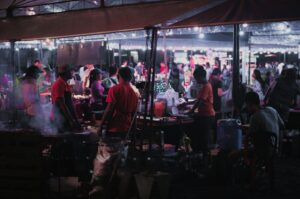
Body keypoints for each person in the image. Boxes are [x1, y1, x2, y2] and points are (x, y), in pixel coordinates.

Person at [99, 67, 139, 138]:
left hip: (114, 127)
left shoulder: (114, 89)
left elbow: (109, 109)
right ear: (130, 77)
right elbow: (134, 115)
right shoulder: (134, 93)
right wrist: (134, 131)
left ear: (118, 76)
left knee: (112, 148)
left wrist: (101, 126)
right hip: (127, 128)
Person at [245, 92, 284, 160]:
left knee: (234, 154)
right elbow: (282, 125)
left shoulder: (255, 117)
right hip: (275, 150)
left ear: (249, 104)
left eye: (247, 106)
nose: (247, 109)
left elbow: (249, 137)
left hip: (262, 153)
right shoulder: (272, 110)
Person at [188, 67, 215, 154]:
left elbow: (200, 101)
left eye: (196, 78)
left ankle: (205, 159)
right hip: (204, 115)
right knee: (203, 138)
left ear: (200, 77)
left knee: (203, 140)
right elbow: (198, 100)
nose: (196, 80)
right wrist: (186, 104)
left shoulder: (206, 86)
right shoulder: (205, 86)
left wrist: (191, 111)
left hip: (207, 116)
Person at [51, 64, 81, 132]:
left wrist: (76, 120)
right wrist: (71, 121)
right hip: (59, 118)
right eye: (71, 71)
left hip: (66, 117)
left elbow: (70, 103)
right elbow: (62, 105)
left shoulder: (66, 83)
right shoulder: (58, 84)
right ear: (65, 73)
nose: (73, 73)